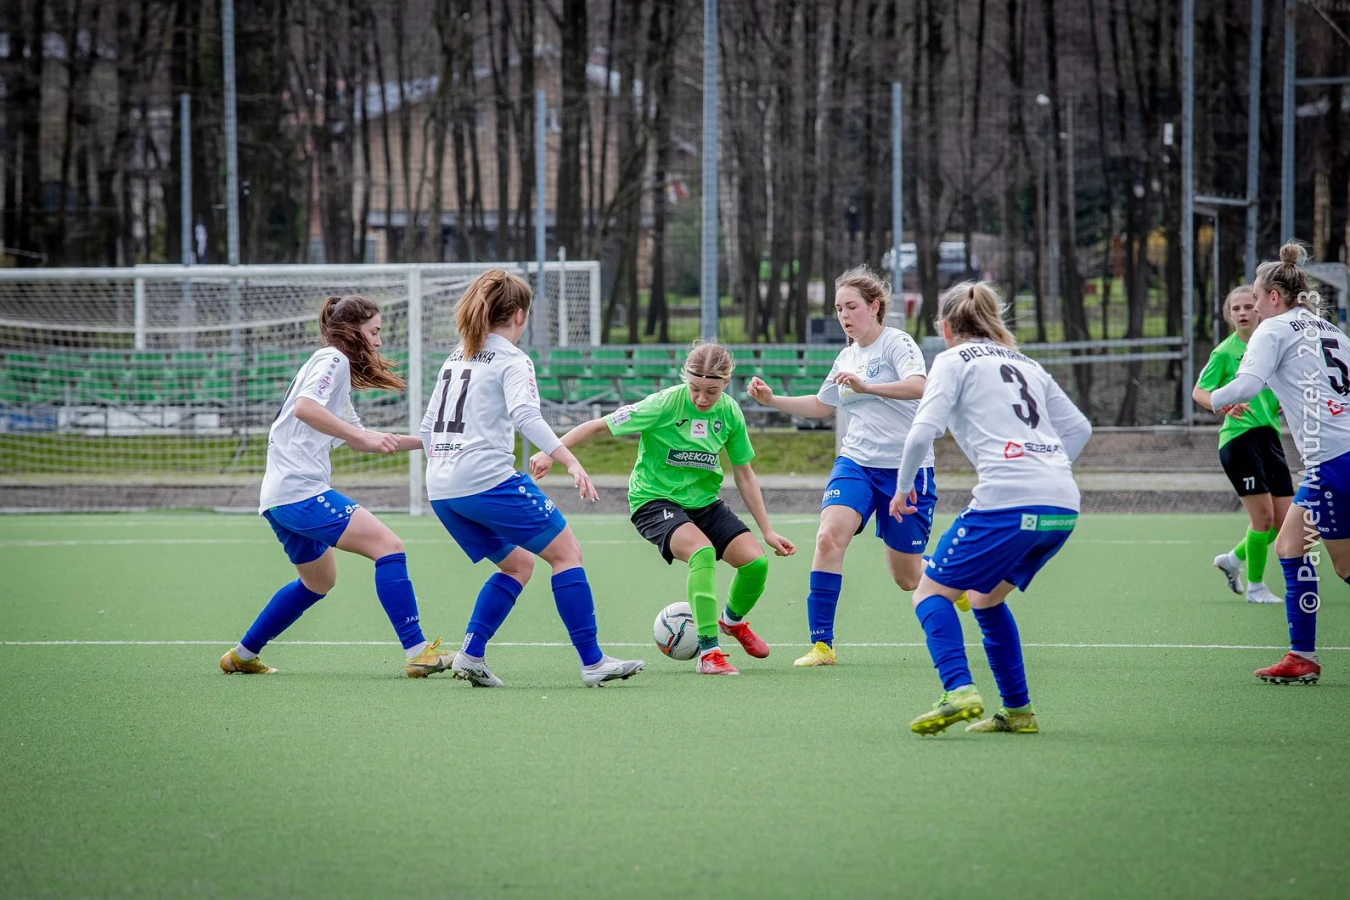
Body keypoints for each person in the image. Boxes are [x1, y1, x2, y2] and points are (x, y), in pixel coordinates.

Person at [887, 282, 1092, 735]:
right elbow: (1080, 429)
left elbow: (921, 433)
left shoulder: (952, 360)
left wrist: (902, 489)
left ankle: (958, 689)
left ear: (945, 327)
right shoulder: (1027, 363)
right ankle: (1018, 711)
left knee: (929, 593)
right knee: (985, 597)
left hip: (1008, 502)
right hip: (1061, 505)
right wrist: (1048, 470)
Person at [425, 269, 644, 688]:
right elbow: (525, 415)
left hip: (441, 487)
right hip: (487, 480)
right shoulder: (512, 358)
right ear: (520, 315)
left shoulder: (456, 357)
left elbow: (427, 426)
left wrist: (446, 467)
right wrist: (570, 460)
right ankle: (593, 661)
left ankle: (471, 654)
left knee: (518, 565)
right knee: (567, 553)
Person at [531, 340, 796, 676]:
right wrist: (549, 453)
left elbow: (744, 473)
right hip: (653, 501)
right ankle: (709, 653)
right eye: (695, 389)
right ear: (685, 379)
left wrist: (767, 531)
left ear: (726, 383)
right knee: (701, 553)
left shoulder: (730, 413)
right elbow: (598, 425)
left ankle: (731, 621)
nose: (701, 398)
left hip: (703, 502)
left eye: (711, 392)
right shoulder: (664, 404)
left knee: (756, 563)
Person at [220, 294, 453, 678]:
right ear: (352, 329)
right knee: (389, 547)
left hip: (280, 497)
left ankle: (242, 655)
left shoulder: (335, 373)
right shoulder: (333, 359)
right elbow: (305, 408)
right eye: (374, 331)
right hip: (301, 491)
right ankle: (417, 652)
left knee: (318, 581)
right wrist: (358, 436)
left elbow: (364, 438)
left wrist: (433, 443)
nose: (379, 341)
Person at [747, 265, 937, 667]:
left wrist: (868, 387)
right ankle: (822, 645)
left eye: (851, 306)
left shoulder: (896, 343)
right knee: (828, 537)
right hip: (856, 463)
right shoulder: (846, 355)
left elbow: (919, 386)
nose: (844, 316)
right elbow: (822, 405)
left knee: (906, 578)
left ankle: (951, 577)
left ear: (875, 306)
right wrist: (773, 400)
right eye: (838, 309)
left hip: (905, 470)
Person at [1209, 241, 1350, 685]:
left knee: (1337, 563)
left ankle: (1302, 655)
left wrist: (1213, 399)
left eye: (1255, 297)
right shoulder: (1329, 329)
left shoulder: (1273, 329)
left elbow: (1246, 386)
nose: (1253, 307)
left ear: (1274, 296)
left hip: (1333, 461)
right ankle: (1301, 656)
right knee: (1292, 547)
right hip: (1334, 460)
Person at [1192, 285, 1292, 604]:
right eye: (1236, 308)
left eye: (1248, 306)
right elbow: (1199, 392)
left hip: (1270, 438)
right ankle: (1256, 588)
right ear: (1229, 315)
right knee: (1262, 519)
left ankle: (1232, 560)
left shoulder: (1273, 347)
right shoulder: (1224, 352)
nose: (1243, 313)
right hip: (1239, 439)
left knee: (1283, 524)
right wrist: (1224, 405)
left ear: (1259, 309)